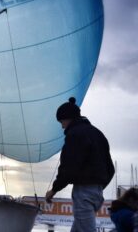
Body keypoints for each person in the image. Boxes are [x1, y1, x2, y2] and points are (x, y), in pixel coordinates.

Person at [45, 97, 115, 232]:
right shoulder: (98, 134)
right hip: (98, 192)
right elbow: (110, 168)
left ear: (67, 118)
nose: (62, 126)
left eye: (61, 122)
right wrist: (98, 185)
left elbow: (68, 168)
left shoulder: (75, 135)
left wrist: (54, 190)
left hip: (84, 192)